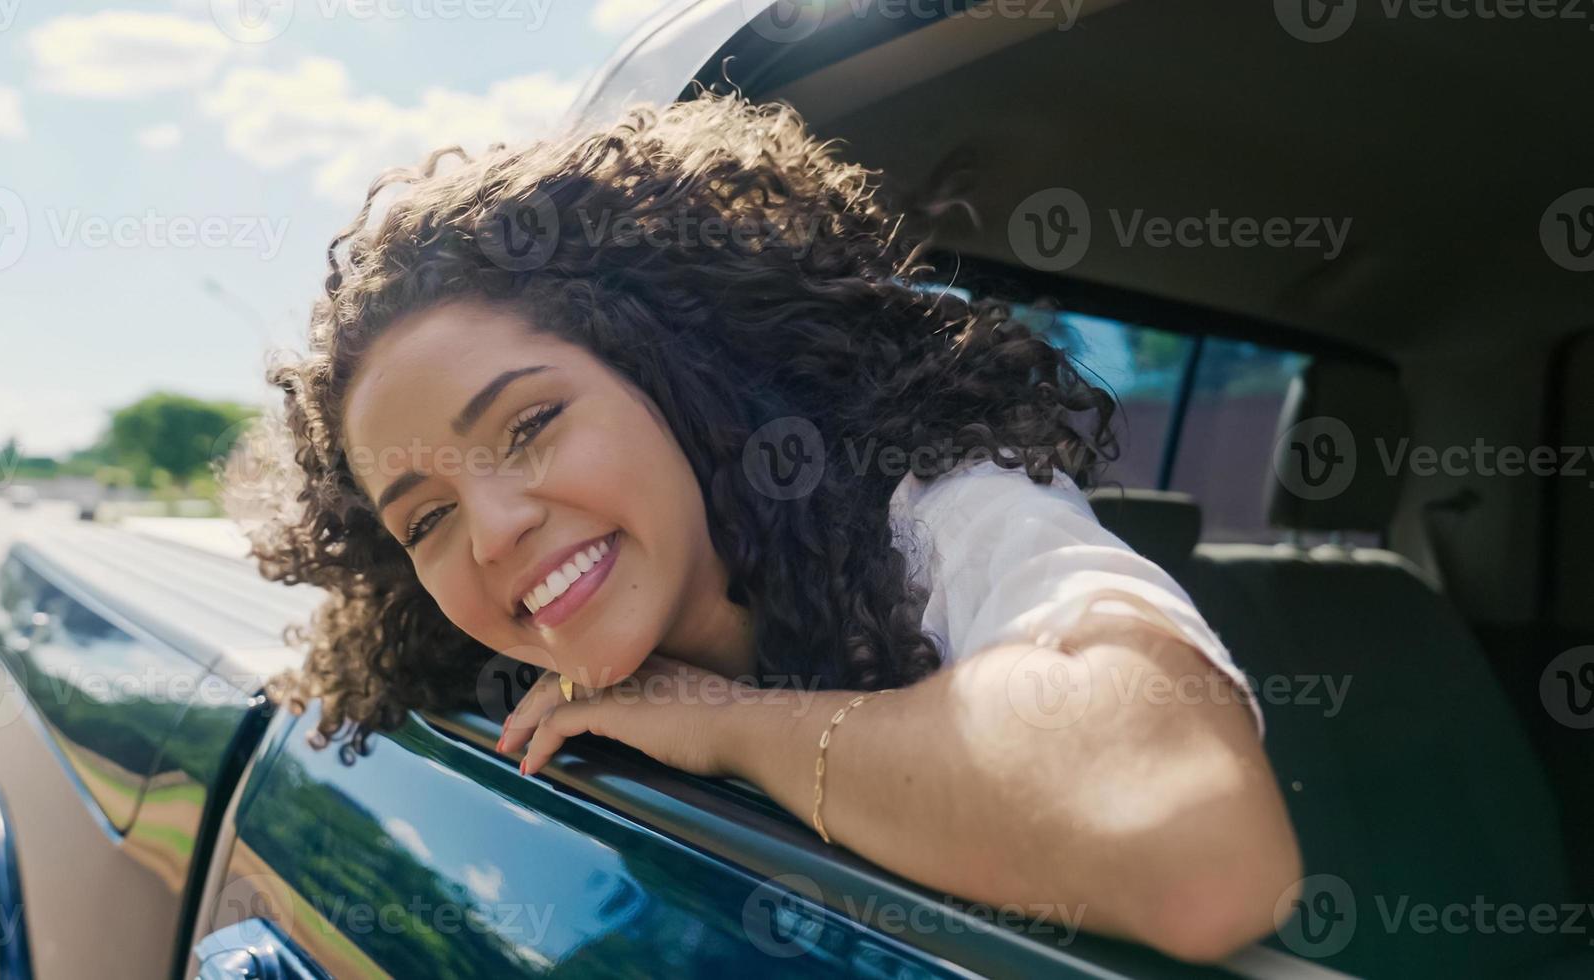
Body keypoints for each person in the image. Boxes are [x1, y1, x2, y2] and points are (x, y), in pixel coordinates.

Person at [240, 91, 1301, 963]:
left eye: (528, 425)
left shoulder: (936, 515)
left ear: (680, 371)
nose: (491, 532)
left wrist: (729, 723)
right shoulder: (498, 693)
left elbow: (1192, 850)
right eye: (425, 517)